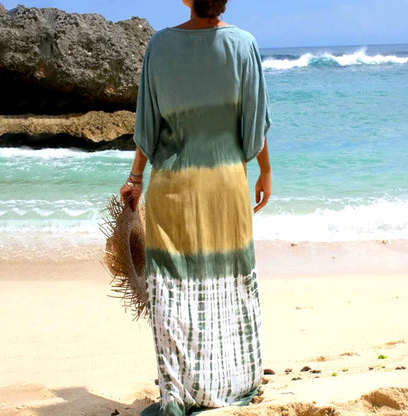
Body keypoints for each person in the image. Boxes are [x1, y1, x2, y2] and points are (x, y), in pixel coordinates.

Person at [120, 0, 272, 414]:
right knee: (230, 283)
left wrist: (135, 178)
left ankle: (180, 390)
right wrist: (265, 171)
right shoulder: (244, 44)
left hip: (173, 186)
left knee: (172, 290)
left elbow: (147, 127)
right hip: (227, 185)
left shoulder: (160, 46)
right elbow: (254, 124)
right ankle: (231, 380)